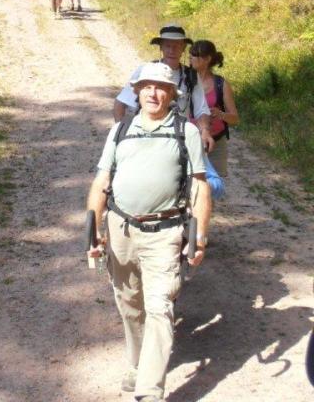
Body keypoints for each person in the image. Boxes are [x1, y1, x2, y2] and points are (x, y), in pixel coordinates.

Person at [87, 62, 211, 401]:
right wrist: (94, 231)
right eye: (147, 86)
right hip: (121, 228)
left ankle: (150, 390)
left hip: (166, 231)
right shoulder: (120, 130)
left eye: (161, 87)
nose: (154, 93)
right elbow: (102, 182)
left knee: (160, 306)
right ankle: (138, 362)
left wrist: (199, 237)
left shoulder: (184, 132)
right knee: (129, 302)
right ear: (137, 91)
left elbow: (200, 186)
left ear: (172, 94)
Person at [114, 25, 215, 153]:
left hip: (178, 141)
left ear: (183, 48)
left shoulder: (191, 76)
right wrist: (120, 134)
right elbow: (119, 104)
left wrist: (205, 131)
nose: (172, 50)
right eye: (168, 45)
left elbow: (202, 110)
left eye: (177, 45)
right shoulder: (145, 71)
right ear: (161, 47)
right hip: (144, 139)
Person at [189, 39, 240, 176]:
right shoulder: (185, 80)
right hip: (189, 142)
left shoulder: (221, 84)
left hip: (216, 144)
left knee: (214, 189)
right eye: (190, 54)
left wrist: (221, 114)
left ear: (207, 59)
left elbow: (235, 119)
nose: (190, 57)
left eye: (194, 54)